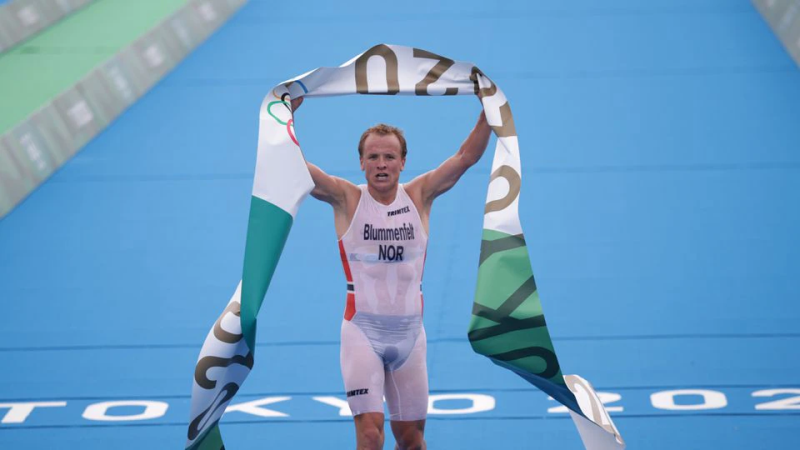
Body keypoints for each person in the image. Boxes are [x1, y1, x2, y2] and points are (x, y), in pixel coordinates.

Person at [291, 97, 491, 450]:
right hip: (362, 333)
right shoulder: (346, 198)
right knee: (370, 435)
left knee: (412, 441)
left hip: (410, 337)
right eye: (373, 157)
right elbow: (293, 168)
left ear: (402, 162)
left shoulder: (419, 195)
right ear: (361, 163)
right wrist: (285, 118)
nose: (381, 164)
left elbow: (465, 158)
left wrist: (489, 113)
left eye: (388, 157)